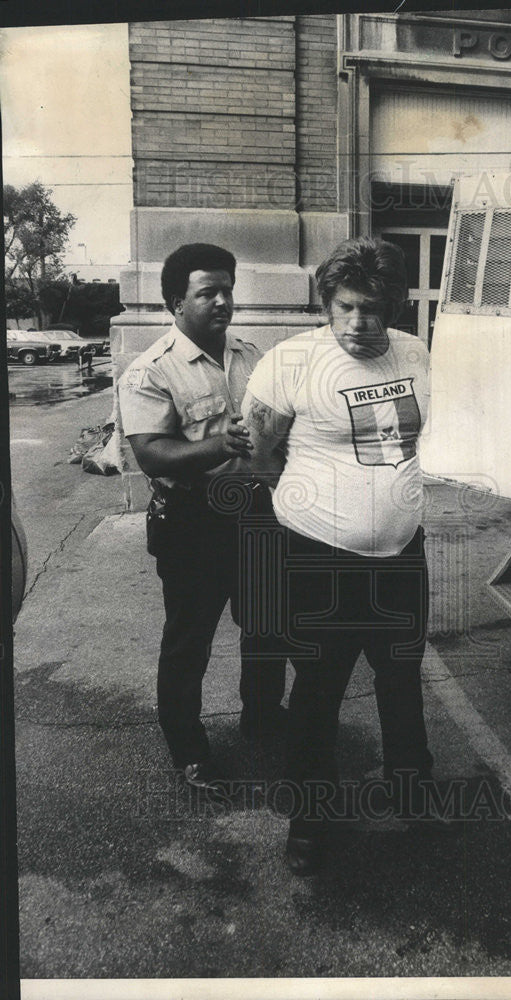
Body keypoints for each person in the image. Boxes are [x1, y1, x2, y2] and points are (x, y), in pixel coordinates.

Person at [240, 236, 439, 874]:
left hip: (403, 555)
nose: (360, 323)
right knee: (319, 691)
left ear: (396, 304)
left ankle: (414, 792)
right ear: (326, 303)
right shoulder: (291, 362)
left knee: (402, 680)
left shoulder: (417, 354)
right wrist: (313, 513)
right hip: (320, 558)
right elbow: (259, 454)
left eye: (373, 308)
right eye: (347, 307)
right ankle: (310, 822)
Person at [117, 243, 288, 791]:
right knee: (189, 639)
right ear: (175, 302)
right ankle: (189, 749)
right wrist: (220, 445)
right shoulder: (151, 370)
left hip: (256, 512)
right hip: (192, 519)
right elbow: (151, 452)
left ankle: (262, 719)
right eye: (206, 292)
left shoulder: (251, 355)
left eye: (227, 290)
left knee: (266, 628)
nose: (222, 302)